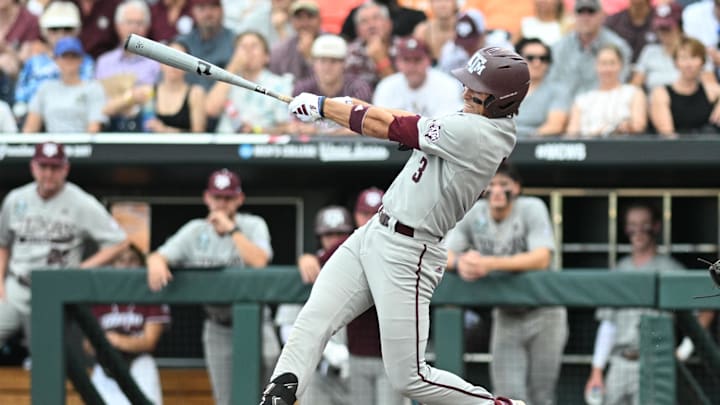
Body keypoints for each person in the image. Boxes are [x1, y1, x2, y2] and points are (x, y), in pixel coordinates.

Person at [260, 45, 530, 405]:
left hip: (409, 252)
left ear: (500, 101)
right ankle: (276, 398)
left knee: (409, 377)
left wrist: (327, 108)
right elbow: (405, 117)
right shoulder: (473, 118)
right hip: (373, 232)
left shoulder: (481, 134)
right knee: (312, 321)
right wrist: (339, 107)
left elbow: (391, 126)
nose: (466, 91)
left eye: (477, 90)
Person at [146, 168, 278, 405]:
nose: (222, 204)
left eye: (228, 198)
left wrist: (232, 230)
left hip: (256, 320)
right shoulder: (195, 231)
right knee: (226, 399)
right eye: (217, 198)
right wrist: (156, 262)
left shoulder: (253, 224)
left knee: (271, 376)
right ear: (207, 198)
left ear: (239, 199)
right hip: (218, 325)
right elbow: (158, 256)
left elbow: (259, 261)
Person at [445, 162, 567, 405]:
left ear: (517, 188)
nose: (497, 190)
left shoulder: (531, 208)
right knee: (507, 395)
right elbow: (443, 254)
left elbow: (542, 257)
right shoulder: (474, 213)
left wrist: (489, 263)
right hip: (506, 315)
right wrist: (461, 263)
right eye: (491, 184)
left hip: (545, 313)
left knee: (541, 395)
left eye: (504, 184)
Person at [0, 141, 128, 357]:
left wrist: (80, 269)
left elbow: (120, 242)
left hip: (53, 292)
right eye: (43, 167)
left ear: (65, 169)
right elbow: (3, 244)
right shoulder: (16, 199)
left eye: (55, 167)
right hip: (16, 287)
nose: (48, 173)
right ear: (33, 167)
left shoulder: (81, 202)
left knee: (45, 361)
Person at [583, 202, 685, 405]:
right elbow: (608, 325)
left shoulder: (671, 268)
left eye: (644, 224)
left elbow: (705, 307)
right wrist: (597, 371)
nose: (638, 231)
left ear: (656, 227)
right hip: (620, 360)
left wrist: (683, 351)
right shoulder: (620, 269)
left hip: (655, 362)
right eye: (632, 225)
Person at [276, 205, 354, 405]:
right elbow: (287, 327)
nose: (335, 240)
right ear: (319, 236)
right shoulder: (309, 268)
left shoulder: (362, 266)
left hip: (358, 369)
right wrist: (326, 351)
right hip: (318, 372)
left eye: (340, 234)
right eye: (329, 234)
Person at [89, 244, 170, 405]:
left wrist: (114, 340)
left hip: (140, 364)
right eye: (120, 260)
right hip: (106, 365)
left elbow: (149, 341)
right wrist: (112, 344)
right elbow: (87, 344)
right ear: (112, 265)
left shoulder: (150, 292)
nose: (126, 265)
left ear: (141, 264)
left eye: (132, 260)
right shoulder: (100, 295)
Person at [13, 1, 95, 123]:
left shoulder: (85, 61)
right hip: (36, 115)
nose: (61, 34)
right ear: (44, 31)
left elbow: (87, 93)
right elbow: (21, 95)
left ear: (77, 31)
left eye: (67, 29)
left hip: (74, 115)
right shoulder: (34, 62)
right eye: (54, 29)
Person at [206, 31, 292, 134]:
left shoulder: (280, 84)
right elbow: (210, 110)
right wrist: (232, 67)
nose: (248, 51)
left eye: (254, 46)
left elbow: (286, 128)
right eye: (243, 47)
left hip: (261, 145)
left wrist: (256, 130)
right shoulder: (227, 81)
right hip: (226, 144)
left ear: (266, 57)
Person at [546, 0, 633, 101]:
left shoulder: (619, 47)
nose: (585, 18)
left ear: (602, 16)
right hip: (565, 105)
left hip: (603, 103)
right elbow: (552, 81)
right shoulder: (558, 48)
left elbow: (620, 82)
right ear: (573, 15)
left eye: (591, 12)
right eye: (580, 12)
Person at [95, 0, 161, 132]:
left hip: (146, 128)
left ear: (147, 27)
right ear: (117, 26)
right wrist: (131, 97)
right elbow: (99, 106)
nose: (134, 28)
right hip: (109, 129)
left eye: (139, 23)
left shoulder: (156, 62)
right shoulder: (104, 62)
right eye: (129, 22)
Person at [291, 34, 373, 135]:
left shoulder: (358, 87)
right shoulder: (302, 89)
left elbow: (365, 126)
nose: (327, 67)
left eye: (333, 61)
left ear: (344, 64)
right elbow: (294, 125)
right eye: (322, 61)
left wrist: (319, 131)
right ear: (314, 63)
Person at [22, 37, 106, 133]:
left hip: (82, 144)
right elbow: (30, 128)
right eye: (64, 56)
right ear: (56, 60)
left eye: (74, 56)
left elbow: (94, 128)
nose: (69, 60)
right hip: (52, 145)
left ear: (81, 59)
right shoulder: (46, 88)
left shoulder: (93, 88)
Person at [631, 2, 718, 92]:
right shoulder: (649, 51)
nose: (663, 33)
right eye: (660, 28)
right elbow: (634, 86)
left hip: (689, 102)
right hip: (653, 103)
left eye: (667, 28)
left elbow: (711, 86)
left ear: (680, 27)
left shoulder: (696, 50)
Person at [566, 44, 647, 137]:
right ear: (596, 66)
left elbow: (638, 125)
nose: (607, 69)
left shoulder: (633, 92)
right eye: (603, 63)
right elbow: (572, 133)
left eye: (612, 63)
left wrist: (626, 126)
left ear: (621, 65)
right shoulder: (582, 99)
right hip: (589, 146)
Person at [649, 36, 720, 137]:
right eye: (683, 58)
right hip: (675, 149)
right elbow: (667, 133)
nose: (689, 64)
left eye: (694, 57)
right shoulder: (661, 93)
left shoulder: (712, 91)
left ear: (702, 62)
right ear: (676, 62)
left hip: (709, 147)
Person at [373, 37, 462, 116]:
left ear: (429, 61)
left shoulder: (447, 85)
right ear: (397, 62)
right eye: (406, 60)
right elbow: (381, 124)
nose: (412, 66)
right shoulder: (386, 86)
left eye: (417, 60)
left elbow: (445, 127)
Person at [144, 41, 206, 133]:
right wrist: (129, 98)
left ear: (188, 66)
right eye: (169, 59)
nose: (173, 65)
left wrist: (165, 131)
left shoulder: (195, 94)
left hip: (184, 147)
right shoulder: (148, 91)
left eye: (179, 60)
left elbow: (199, 135)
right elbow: (115, 108)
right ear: (160, 63)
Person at [175, 0, 236, 91]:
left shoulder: (235, 41)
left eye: (213, 6)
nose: (208, 13)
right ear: (193, 11)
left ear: (222, 9)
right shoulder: (182, 43)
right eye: (201, 7)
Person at [345, 1, 397, 88]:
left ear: (389, 24)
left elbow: (401, 91)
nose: (371, 25)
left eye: (376, 18)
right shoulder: (351, 53)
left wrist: (381, 60)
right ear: (358, 30)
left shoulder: (402, 48)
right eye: (364, 21)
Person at [269, 0, 323, 84]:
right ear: (291, 21)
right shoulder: (282, 50)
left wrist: (309, 57)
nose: (305, 23)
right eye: (299, 17)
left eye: (310, 17)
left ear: (319, 19)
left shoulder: (331, 43)